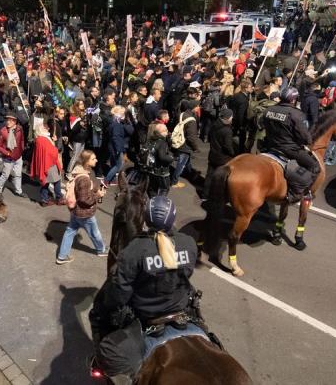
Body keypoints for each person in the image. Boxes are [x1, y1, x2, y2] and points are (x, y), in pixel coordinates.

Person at [94, 196, 198, 382]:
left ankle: (105, 368)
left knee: (103, 335)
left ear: (146, 218)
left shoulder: (134, 249)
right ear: (172, 218)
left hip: (145, 318)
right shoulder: (188, 243)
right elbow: (187, 274)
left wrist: (108, 307)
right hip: (183, 310)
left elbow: (119, 293)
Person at [259, 87, 320, 203]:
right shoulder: (297, 114)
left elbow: (260, 124)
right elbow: (305, 138)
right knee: (315, 166)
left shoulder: (269, 110)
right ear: (293, 100)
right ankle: (297, 194)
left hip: (269, 145)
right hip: (289, 149)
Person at [56, 150, 108, 264]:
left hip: (75, 211)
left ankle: (62, 256)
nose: (96, 160)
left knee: (69, 231)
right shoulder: (84, 179)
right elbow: (84, 199)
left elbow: (83, 191)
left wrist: (95, 189)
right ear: (86, 162)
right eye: (93, 159)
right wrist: (98, 195)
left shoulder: (81, 171)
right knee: (95, 233)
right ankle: (101, 250)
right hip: (85, 213)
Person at [30, 123, 64, 206]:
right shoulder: (43, 139)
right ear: (41, 130)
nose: (48, 129)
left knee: (46, 182)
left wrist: (53, 141)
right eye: (45, 128)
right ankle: (59, 198)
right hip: (49, 164)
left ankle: (44, 199)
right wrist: (55, 143)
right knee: (56, 180)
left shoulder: (39, 139)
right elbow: (53, 152)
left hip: (46, 163)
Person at [0, 112, 24, 197]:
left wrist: (22, 149)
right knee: (5, 175)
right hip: (8, 158)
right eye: (7, 120)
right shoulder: (3, 131)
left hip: (18, 157)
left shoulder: (19, 129)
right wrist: (7, 153)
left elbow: (22, 140)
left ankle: (18, 191)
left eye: (11, 120)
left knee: (18, 175)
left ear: (15, 121)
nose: (8, 122)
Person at [207, 108, 236, 173]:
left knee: (210, 175)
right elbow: (228, 146)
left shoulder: (214, 125)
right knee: (219, 177)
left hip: (212, 155)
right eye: (231, 116)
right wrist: (233, 153)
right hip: (223, 159)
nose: (232, 118)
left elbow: (209, 137)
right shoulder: (227, 131)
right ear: (227, 117)